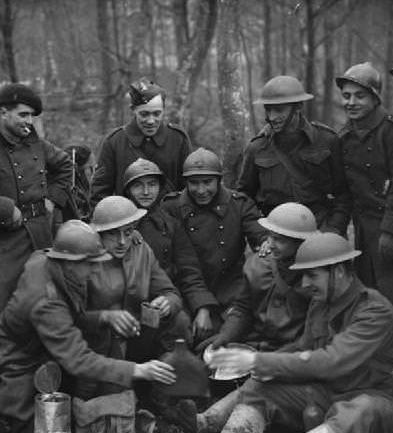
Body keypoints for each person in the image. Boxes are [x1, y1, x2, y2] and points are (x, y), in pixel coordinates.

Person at [160, 233, 393, 433]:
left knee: (358, 411)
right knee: (263, 387)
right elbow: (303, 347)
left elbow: (331, 362)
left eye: (313, 276)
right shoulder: (322, 304)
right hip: (334, 391)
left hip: (385, 400)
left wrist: (258, 361)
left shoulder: (374, 310)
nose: (306, 284)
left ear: (339, 271)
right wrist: (262, 365)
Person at [0, 220, 176, 433]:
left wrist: (104, 317)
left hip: (45, 356)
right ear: (68, 262)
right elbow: (78, 360)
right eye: (90, 263)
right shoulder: (46, 302)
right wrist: (139, 370)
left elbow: (69, 319)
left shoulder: (46, 260)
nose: (96, 269)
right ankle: (0, 400)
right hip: (19, 370)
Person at [0, 83, 73, 397]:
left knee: (44, 307)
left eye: (31, 115)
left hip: (40, 239)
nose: (28, 121)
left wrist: (53, 201)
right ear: (2, 112)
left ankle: (38, 384)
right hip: (1, 244)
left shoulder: (36, 145)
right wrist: (6, 211)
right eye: (22, 114)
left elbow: (65, 167)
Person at [180, 202, 320, 433]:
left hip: (298, 351)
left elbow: (317, 333)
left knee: (263, 383)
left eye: (281, 240)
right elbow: (243, 308)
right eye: (270, 237)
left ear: (302, 243)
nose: (271, 244)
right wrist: (225, 336)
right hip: (259, 341)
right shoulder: (259, 263)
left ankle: (209, 422)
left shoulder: (317, 275)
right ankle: (209, 424)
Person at [78, 196, 187, 400]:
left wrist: (167, 303)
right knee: (109, 401)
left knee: (179, 321)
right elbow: (70, 318)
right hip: (99, 345)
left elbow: (170, 292)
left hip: (136, 335)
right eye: (113, 234)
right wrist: (107, 318)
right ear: (98, 233)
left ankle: (162, 392)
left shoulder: (140, 249)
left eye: (127, 233)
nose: (122, 241)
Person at [336, 61, 393, 317]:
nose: (351, 102)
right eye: (346, 96)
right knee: (368, 293)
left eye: (359, 96)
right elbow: (345, 190)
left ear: (375, 97)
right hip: (363, 228)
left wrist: (391, 232)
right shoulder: (345, 136)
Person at [161, 147, 268, 330]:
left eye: (207, 182)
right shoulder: (171, 207)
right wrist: (201, 305)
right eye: (194, 183)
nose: (201, 190)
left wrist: (265, 241)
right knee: (182, 331)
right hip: (186, 290)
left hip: (231, 289)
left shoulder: (239, 205)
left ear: (219, 180)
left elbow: (259, 235)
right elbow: (180, 263)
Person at [121, 157, 218, 346]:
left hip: (163, 302)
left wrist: (202, 308)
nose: (147, 192)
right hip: (123, 304)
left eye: (152, 184)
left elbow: (189, 270)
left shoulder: (170, 225)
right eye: (138, 186)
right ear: (128, 190)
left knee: (181, 325)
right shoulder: (115, 223)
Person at [238, 75, 351, 236]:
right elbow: (244, 199)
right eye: (268, 109)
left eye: (279, 109)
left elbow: (343, 194)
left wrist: (333, 230)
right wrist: (260, 237)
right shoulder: (257, 148)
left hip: (319, 229)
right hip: (275, 234)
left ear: (297, 107)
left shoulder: (326, 141)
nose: (272, 117)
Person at [90, 78, 192, 209]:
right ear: (133, 110)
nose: (151, 121)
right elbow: (100, 192)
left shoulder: (177, 139)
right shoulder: (115, 142)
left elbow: (188, 186)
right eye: (144, 114)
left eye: (157, 114)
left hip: (171, 222)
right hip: (127, 222)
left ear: (163, 111)